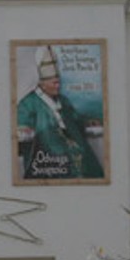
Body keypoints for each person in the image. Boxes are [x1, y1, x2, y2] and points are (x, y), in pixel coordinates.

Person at [16, 46, 104, 180]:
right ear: (42, 84)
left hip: (75, 154)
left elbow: (75, 118)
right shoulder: (27, 103)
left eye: (59, 82)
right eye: (54, 83)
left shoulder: (63, 101)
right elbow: (21, 126)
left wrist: (88, 121)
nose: (58, 86)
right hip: (48, 159)